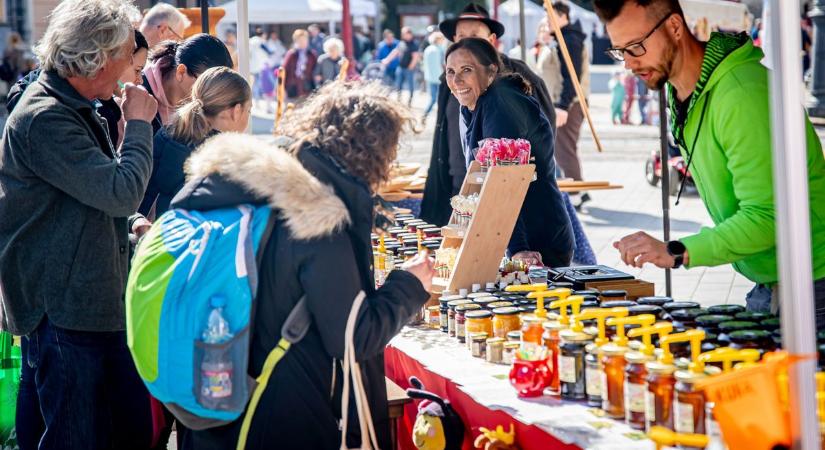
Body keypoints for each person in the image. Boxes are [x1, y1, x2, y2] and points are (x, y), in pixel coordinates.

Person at [179, 81, 433, 450]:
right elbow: (354, 337)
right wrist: (409, 284)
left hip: (226, 397)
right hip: (283, 414)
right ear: (370, 153)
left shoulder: (264, 191)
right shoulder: (317, 216)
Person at [596, 0, 825, 324]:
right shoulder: (689, 92)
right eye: (620, 52)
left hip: (813, 280)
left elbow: (769, 217)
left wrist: (676, 251)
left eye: (636, 47)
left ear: (675, 28)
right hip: (773, 280)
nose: (630, 65)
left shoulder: (742, 94)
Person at [0, 1, 159, 448]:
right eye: (128, 54)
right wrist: (141, 125)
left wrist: (132, 224)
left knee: (123, 430)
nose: (133, 66)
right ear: (97, 57)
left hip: (85, 305)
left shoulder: (72, 105)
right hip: (67, 312)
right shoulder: (46, 115)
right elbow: (119, 190)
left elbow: (91, 198)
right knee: (77, 437)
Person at [420, 3, 557, 227]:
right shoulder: (450, 78)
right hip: (460, 183)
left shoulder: (514, 75)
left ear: (491, 39)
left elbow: (545, 127)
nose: (467, 42)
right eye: (461, 36)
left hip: (510, 193)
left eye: (475, 36)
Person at [445, 38, 574, 267]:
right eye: (450, 71)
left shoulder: (500, 100)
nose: (456, 80)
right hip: (509, 234)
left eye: (467, 70)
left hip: (535, 243)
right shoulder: (474, 104)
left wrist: (518, 247)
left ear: (491, 71)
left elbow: (504, 179)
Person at [138, 67, 251, 218]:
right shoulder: (224, 161)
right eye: (249, 110)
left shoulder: (167, 134)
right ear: (236, 111)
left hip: (150, 234)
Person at [142, 33, 233, 133]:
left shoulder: (202, 108)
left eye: (219, 91)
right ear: (181, 72)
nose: (212, 96)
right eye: (206, 85)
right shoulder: (138, 92)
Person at [549, 2, 591, 210]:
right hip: (568, 102)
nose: (547, 21)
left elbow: (572, 77)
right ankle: (578, 191)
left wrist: (563, 106)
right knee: (564, 148)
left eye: (550, 17)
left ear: (562, 16)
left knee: (564, 149)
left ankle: (576, 194)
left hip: (571, 103)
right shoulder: (563, 38)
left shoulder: (570, 39)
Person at [282, 29, 317, 100]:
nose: (303, 42)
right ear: (296, 41)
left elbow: (316, 70)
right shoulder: (291, 54)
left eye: (305, 40)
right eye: (300, 40)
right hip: (293, 87)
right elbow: (283, 70)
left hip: (308, 87)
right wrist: (282, 88)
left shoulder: (312, 54)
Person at [389, 27, 420, 105]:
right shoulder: (401, 43)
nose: (403, 35)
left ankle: (410, 101)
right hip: (400, 67)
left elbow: (415, 57)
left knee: (410, 86)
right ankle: (398, 100)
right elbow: (395, 52)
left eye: (404, 33)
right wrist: (387, 60)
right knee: (398, 85)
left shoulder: (414, 44)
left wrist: (411, 67)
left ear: (409, 34)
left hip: (408, 69)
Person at [422, 31, 446, 120]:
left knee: (432, 98)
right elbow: (443, 64)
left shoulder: (427, 49)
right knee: (440, 99)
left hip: (429, 77)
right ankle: (440, 116)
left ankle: (425, 113)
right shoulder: (440, 49)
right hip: (439, 77)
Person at [249, 28, 271, 104]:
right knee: (259, 84)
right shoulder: (261, 41)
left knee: (253, 83)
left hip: (251, 66)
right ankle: (258, 99)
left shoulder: (250, 41)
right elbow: (268, 51)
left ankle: (255, 99)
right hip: (259, 66)